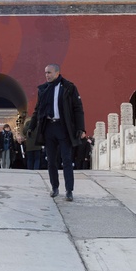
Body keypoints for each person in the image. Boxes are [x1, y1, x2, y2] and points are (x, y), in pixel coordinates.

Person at [28, 64, 85, 202]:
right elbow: (37, 110)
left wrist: (81, 128)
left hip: (63, 127)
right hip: (49, 128)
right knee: (51, 160)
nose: (47, 75)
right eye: (45, 73)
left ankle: (69, 190)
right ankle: (54, 187)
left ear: (57, 73)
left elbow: (78, 108)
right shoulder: (43, 89)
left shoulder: (68, 87)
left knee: (66, 160)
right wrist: (31, 126)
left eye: (49, 72)